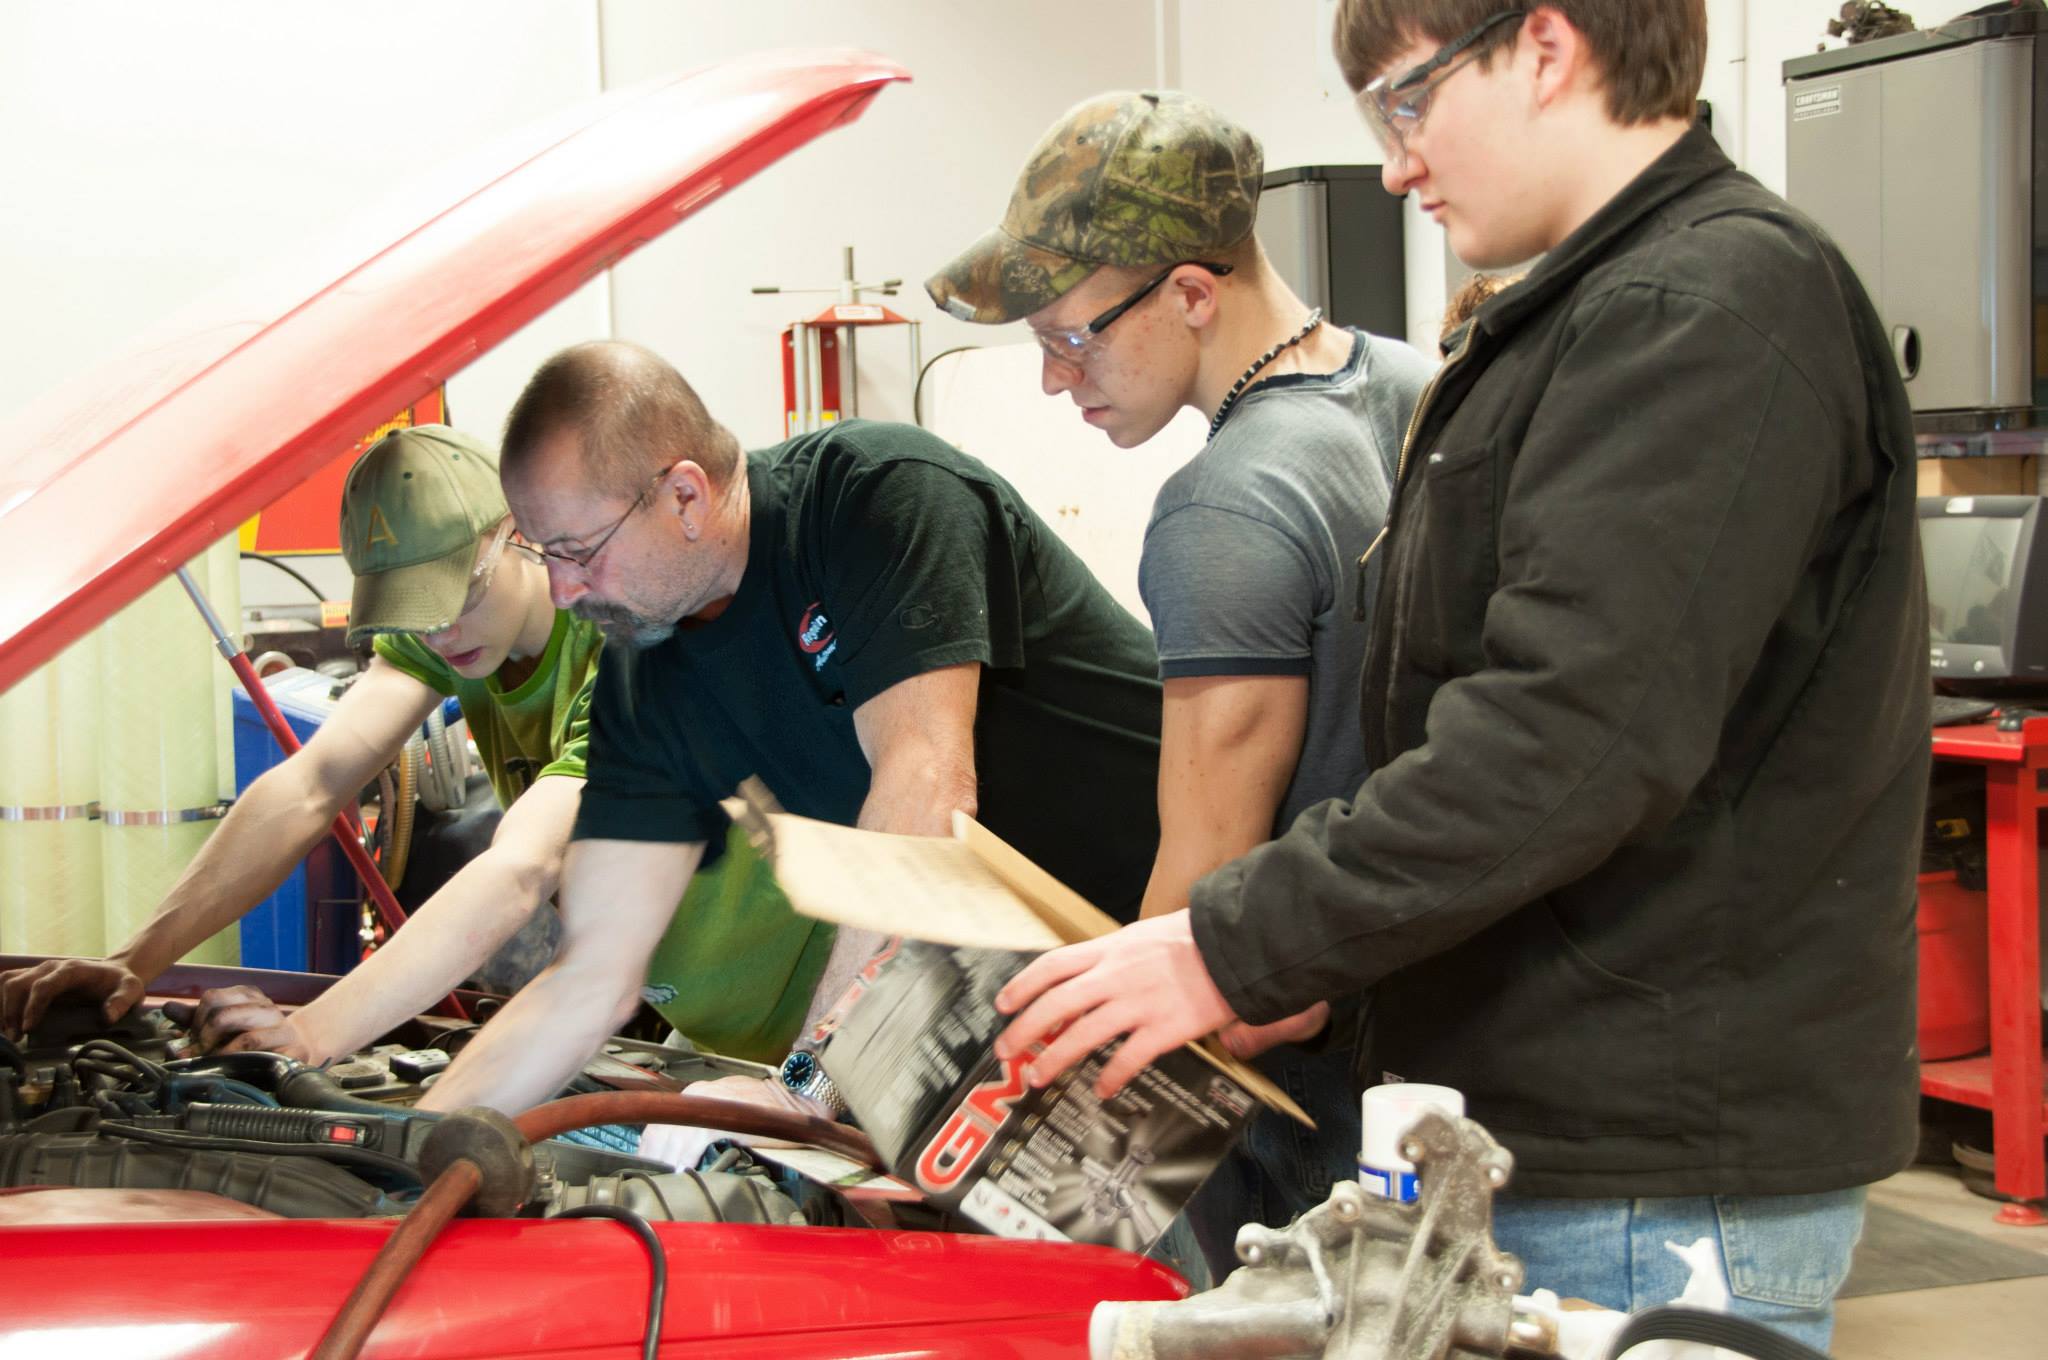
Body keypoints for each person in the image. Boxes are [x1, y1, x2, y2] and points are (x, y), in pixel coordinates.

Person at [990, 3, 1926, 1347]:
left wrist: (1233, 945)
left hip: (1650, 1175)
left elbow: (1564, 741)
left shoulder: (1703, 305)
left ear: (1545, 48)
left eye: (1407, 100)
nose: (1393, 162)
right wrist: (1327, 966)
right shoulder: (1575, 318)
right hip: (1543, 1126)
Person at [925, 89, 1434, 1279]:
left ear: (1193, 294)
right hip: (1423, 1045)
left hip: (1289, 1093)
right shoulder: (1409, 389)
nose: (1057, 380)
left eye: (1070, 336)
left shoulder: (1223, 504)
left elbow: (1192, 892)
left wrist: (1065, 1150)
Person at [411, 339, 1164, 1118]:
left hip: (1189, 926)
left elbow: (926, 784)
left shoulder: (874, 498)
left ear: (685, 497)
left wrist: (804, 1083)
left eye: (579, 553)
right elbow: (595, 973)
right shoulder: (649, 663)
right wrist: (412, 1137)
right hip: (1058, 992)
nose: (563, 593)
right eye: (544, 556)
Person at [0, 426, 822, 1071]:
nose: (437, 631)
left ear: (520, 534)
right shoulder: (459, 633)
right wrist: (135, 963)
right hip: (703, 1026)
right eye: (410, 611)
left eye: (453, 597)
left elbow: (521, 867)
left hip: (822, 1014)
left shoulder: (624, 635)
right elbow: (309, 787)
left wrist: (315, 1032)